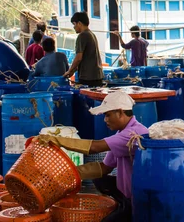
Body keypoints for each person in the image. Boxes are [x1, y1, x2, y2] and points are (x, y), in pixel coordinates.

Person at [37, 91, 148, 221]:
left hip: (140, 197)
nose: (105, 120)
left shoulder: (134, 133)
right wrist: (65, 174)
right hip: (128, 192)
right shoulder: (121, 133)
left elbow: (95, 147)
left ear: (120, 112)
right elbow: (104, 167)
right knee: (100, 179)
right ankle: (122, 204)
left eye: (108, 115)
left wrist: (57, 140)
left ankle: (128, 210)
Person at [64, 12, 104, 87]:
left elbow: (79, 57)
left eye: (74, 24)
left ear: (79, 23)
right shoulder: (91, 34)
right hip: (97, 75)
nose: (74, 27)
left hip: (88, 77)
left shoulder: (82, 35)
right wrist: (74, 69)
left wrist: (69, 71)